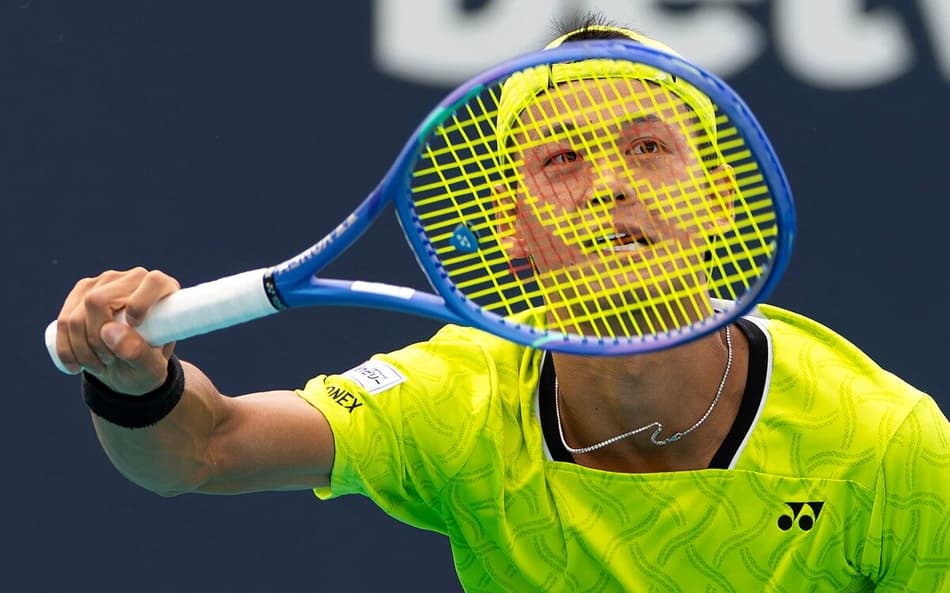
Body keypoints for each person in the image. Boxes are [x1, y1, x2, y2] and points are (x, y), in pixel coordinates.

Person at [52, 14, 950, 592]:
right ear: (511, 227)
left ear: (719, 201)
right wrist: (134, 383)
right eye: (562, 160)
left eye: (647, 148)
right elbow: (201, 450)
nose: (608, 186)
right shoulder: (464, 400)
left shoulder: (885, 446)